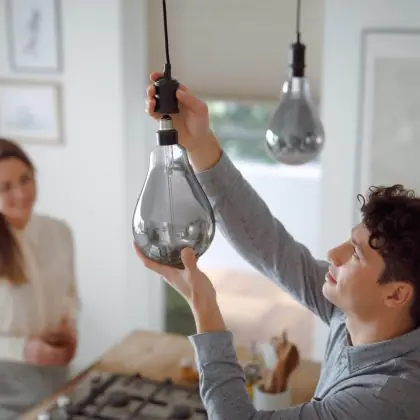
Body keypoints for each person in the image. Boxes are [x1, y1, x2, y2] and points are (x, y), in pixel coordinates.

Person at [137, 72, 420, 419]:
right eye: (350, 241)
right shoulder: (353, 315)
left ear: (396, 294)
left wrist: (204, 305)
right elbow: (270, 246)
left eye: (356, 255)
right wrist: (199, 143)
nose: (334, 255)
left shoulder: (385, 397)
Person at [0, 139, 80, 419]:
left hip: (56, 381)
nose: (21, 193)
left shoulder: (59, 232)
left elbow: (70, 296)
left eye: (25, 179)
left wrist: (69, 328)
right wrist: (22, 350)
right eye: (5, 187)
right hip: (5, 390)